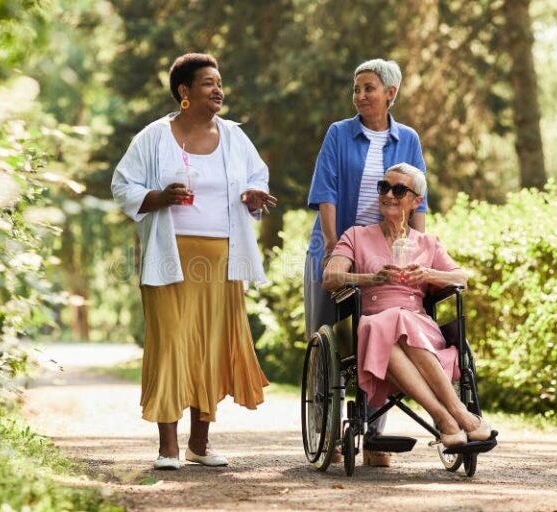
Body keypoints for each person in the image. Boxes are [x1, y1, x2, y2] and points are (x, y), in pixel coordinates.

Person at [111, 53, 277, 471]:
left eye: (219, 82)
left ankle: (199, 445)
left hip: (222, 259)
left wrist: (255, 194)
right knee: (170, 344)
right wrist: (158, 198)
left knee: (210, 346)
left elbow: (257, 175)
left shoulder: (235, 137)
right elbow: (121, 185)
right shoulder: (154, 137)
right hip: (168, 259)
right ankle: (168, 447)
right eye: (207, 83)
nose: (218, 89)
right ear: (184, 93)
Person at [304, 58, 427, 466]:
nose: (360, 96)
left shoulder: (407, 138)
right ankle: (328, 435)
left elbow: (418, 198)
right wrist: (332, 247)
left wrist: (420, 248)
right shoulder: (339, 134)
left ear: (390, 93)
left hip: (388, 254)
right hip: (340, 246)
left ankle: (374, 436)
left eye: (369, 88)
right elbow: (327, 192)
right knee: (328, 338)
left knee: (384, 334)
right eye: (357, 89)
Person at [322, 163, 493, 450]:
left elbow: (461, 277)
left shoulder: (428, 243)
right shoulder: (356, 236)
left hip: (418, 327)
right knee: (380, 325)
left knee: (399, 320)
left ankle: (450, 418)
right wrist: (372, 278)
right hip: (370, 324)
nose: (388, 194)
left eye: (398, 189)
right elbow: (330, 278)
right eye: (384, 187)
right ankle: (450, 415)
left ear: (416, 201)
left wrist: (428, 274)